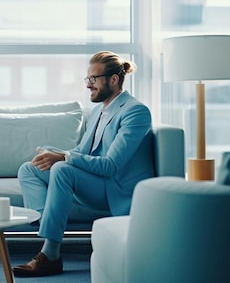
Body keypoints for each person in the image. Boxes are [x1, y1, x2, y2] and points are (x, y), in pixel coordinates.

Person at [12, 51, 154, 277]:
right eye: (87, 79)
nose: (88, 85)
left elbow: (110, 165)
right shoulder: (99, 110)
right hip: (96, 182)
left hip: (115, 188)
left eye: (93, 79)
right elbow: (81, 151)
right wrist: (54, 153)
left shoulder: (135, 112)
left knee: (62, 169)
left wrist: (63, 158)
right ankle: (48, 220)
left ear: (114, 80)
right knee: (29, 169)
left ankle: (51, 254)